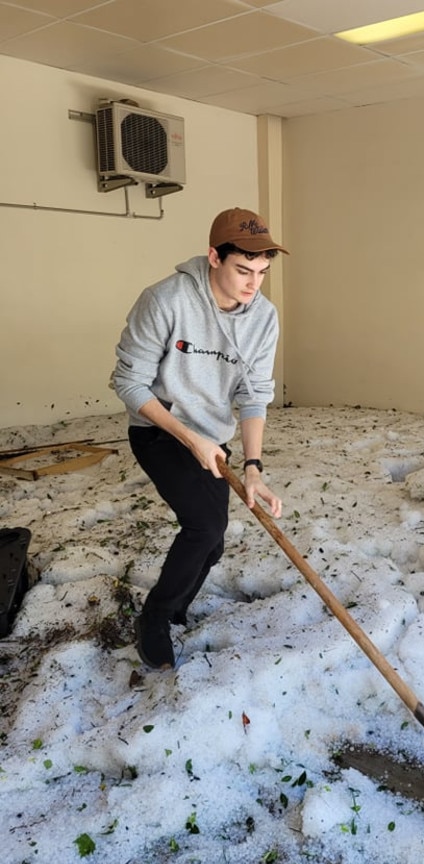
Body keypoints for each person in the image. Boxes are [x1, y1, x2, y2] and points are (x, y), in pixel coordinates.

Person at [111, 207, 288, 670]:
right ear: (214, 257)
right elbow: (129, 384)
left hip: (213, 436)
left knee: (213, 543)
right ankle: (154, 617)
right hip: (158, 429)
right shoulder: (165, 300)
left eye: (263, 272)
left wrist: (252, 467)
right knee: (204, 526)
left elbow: (254, 394)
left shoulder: (263, 318)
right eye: (243, 270)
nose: (254, 284)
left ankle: (178, 605)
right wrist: (190, 439)